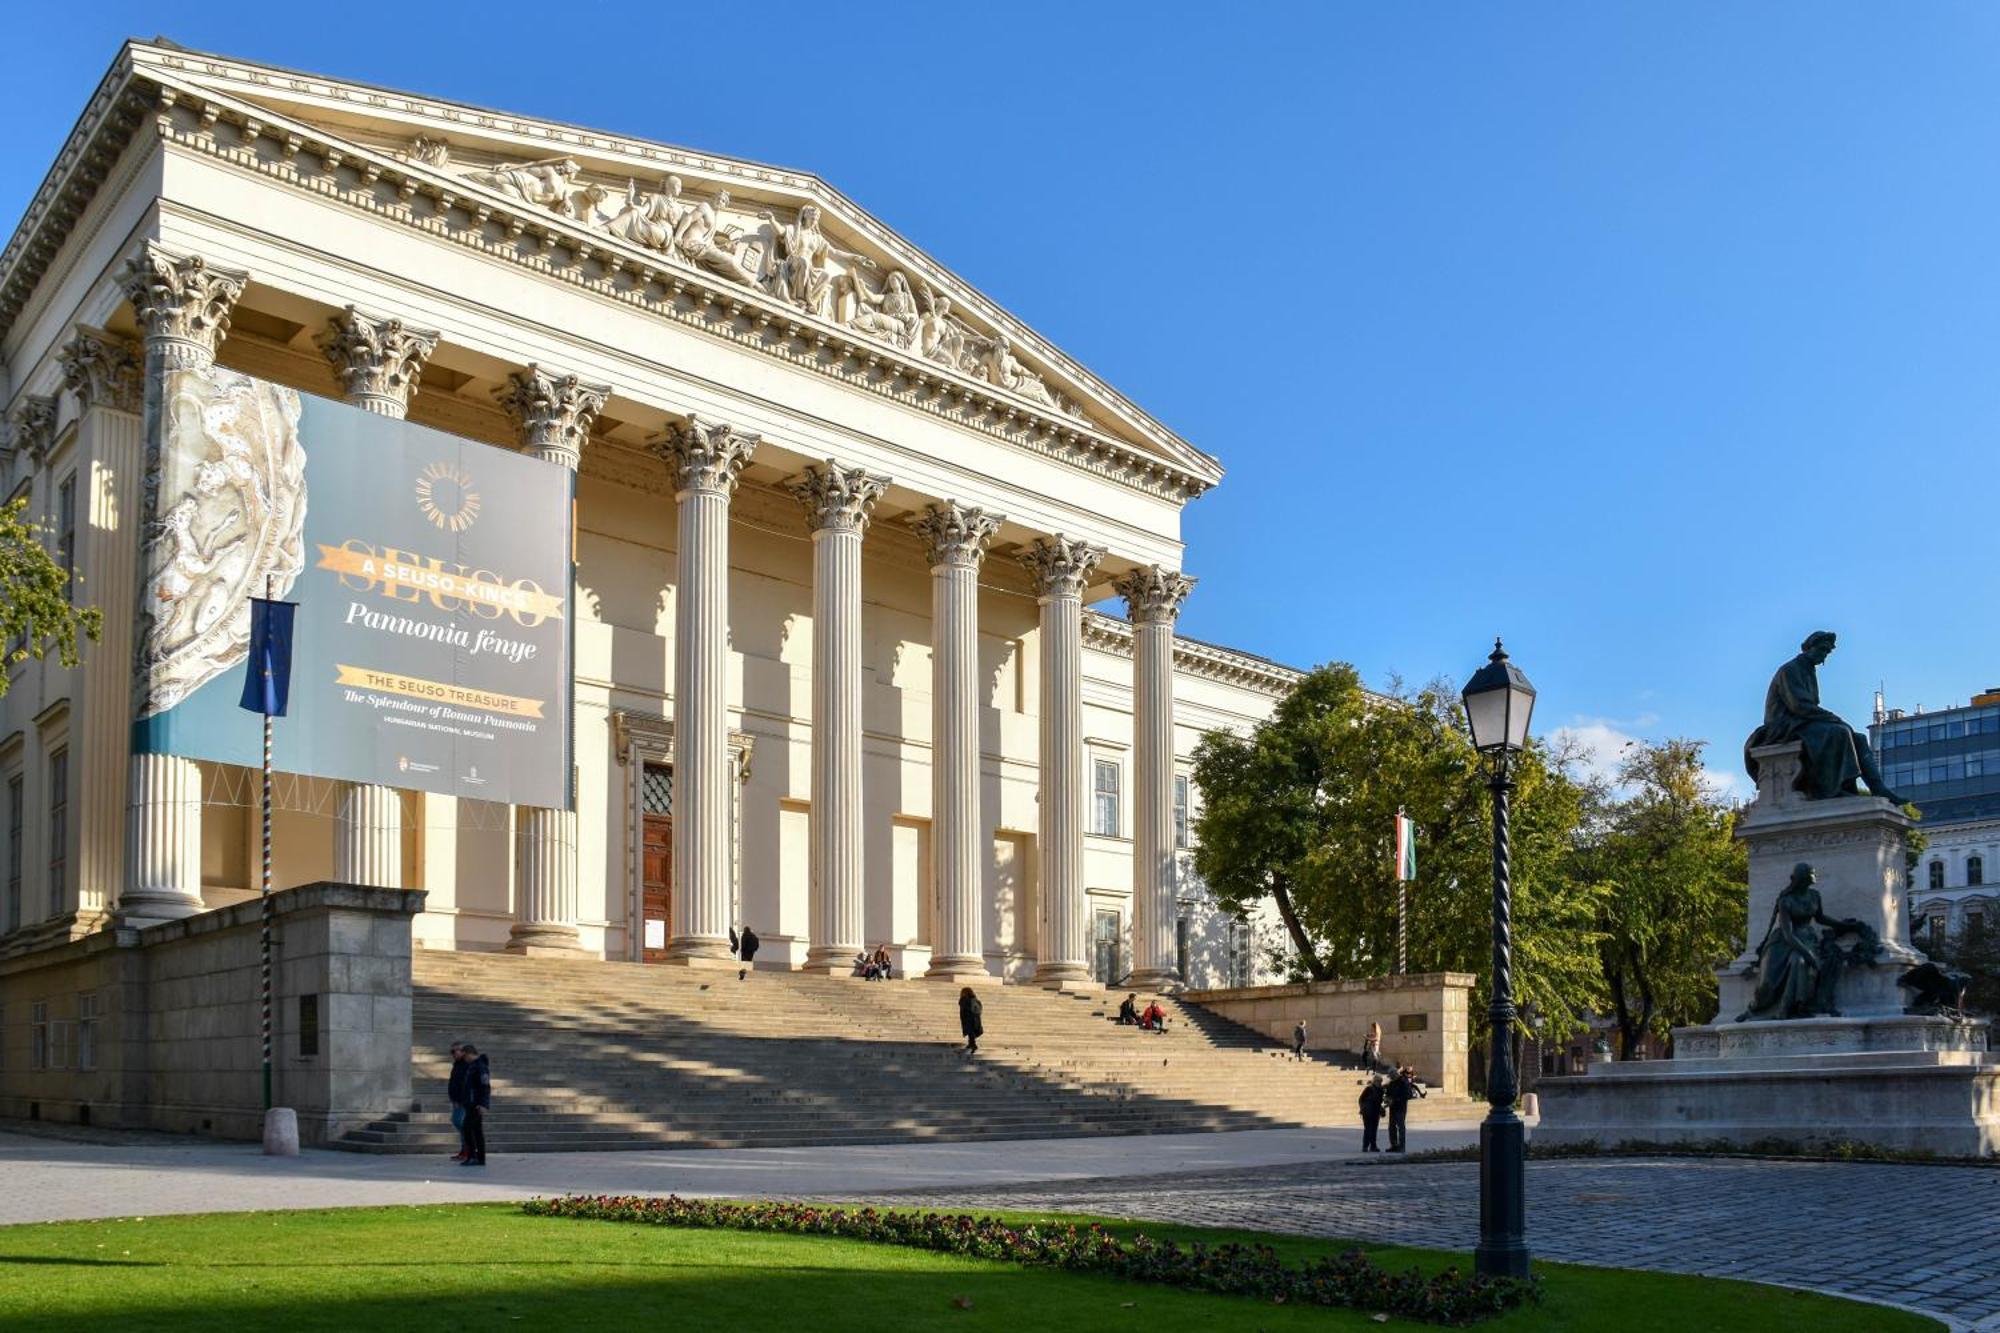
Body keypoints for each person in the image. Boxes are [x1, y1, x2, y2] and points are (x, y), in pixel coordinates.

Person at [1744, 631, 1904, 802]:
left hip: (1802, 721)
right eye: (1821, 650)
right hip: (1785, 726)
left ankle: (1877, 787)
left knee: (1859, 738)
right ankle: (1831, 789)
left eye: (1827, 652)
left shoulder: (1808, 670)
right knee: (1839, 732)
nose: (1823, 656)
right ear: (1809, 647)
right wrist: (1833, 718)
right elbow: (1799, 705)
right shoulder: (1790, 669)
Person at [459, 1043, 490, 1167]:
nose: (464, 1059)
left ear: (470, 1054)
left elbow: (485, 1086)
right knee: (476, 1130)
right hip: (471, 1103)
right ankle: (479, 1157)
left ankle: (473, 1155)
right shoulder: (472, 1066)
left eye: (465, 1056)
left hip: (476, 1103)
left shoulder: (480, 1067)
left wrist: (483, 1104)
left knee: (467, 1128)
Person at [1385, 1065, 1425, 1153]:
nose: (1390, 1077)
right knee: (1391, 1127)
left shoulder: (1403, 1081)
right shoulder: (1391, 1083)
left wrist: (1396, 1099)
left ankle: (1402, 1146)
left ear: (1395, 1074)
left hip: (1400, 1108)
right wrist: (1387, 1099)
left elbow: (1409, 1095)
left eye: (1391, 1075)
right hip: (1393, 1108)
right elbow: (1388, 1093)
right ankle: (1394, 1145)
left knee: (1401, 1127)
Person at [446, 1042, 470, 1162]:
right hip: (457, 1100)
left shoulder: (467, 1065)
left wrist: (461, 1100)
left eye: (455, 1051)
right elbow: (454, 1082)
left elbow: (466, 1085)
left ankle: (468, 1150)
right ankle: (465, 1149)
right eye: (452, 1052)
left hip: (463, 1101)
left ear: (463, 1051)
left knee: (460, 1123)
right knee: (458, 1123)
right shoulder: (457, 1065)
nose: (453, 1054)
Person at [1359, 1075, 1385, 1153]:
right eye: (1379, 1081)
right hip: (1367, 1112)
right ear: (1375, 1081)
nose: (1380, 1083)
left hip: (1375, 1112)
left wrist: (1381, 1109)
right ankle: (1365, 1146)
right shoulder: (1368, 1089)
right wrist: (1362, 1108)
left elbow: (1379, 1102)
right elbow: (1361, 1099)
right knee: (1368, 1129)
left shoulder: (1380, 1090)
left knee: (1374, 1130)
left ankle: (1373, 1146)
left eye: (1381, 1081)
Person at [958, 985, 983, 1054]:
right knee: (971, 1031)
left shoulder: (965, 1000)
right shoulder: (975, 999)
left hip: (968, 1018)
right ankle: (970, 1043)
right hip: (975, 1018)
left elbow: (964, 1009)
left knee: (970, 1031)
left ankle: (973, 1045)